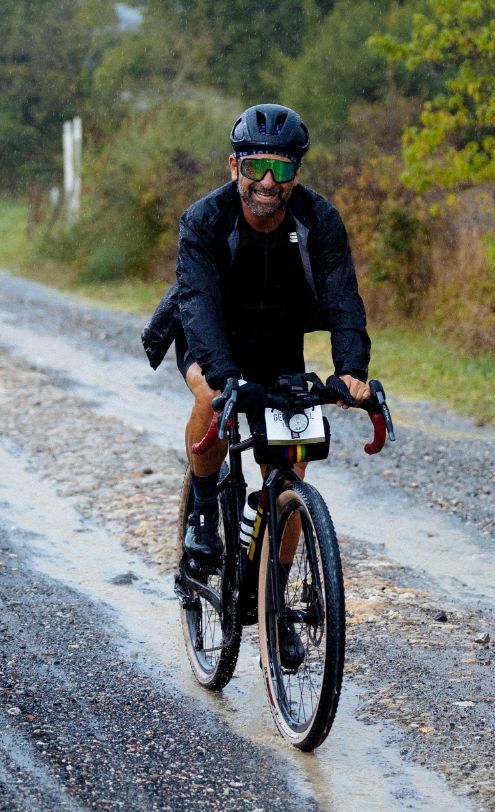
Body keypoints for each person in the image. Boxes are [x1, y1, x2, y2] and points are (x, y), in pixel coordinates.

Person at [142, 102, 371, 563]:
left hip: (277, 340)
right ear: (235, 167)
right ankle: (205, 513)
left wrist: (350, 370)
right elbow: (199, 303)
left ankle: (276, 605)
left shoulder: (320, 221)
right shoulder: (204, 220)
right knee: (211, 397)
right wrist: (226, 376)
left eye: (280, 167)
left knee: (289, 475)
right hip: (212, 335)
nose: (268, 181)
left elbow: (343, 299)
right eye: (256, 166)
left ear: (296, 174)